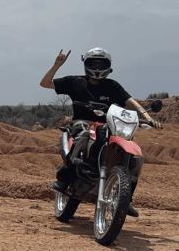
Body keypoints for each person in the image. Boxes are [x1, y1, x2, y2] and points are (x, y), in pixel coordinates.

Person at [40, 47, 162, 217]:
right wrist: (56, 66)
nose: (97, 67)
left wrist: (147, 118)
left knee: (138, 157)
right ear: (86, 64)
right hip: (83, 123)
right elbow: (45, 84)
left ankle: (125, 199)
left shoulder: (112, 86)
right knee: (83, 136)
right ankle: (64, 178)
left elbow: (130, 102)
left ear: (108, 66)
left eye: (101, 63)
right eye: (93, 63)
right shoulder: (75, 82)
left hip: (108, 126)